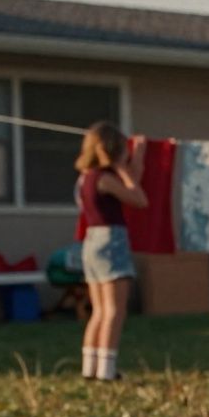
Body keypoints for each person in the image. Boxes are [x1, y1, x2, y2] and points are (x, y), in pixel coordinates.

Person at [75, 121, 146, 381]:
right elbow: (139, 198)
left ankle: (90, 368)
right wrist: (121, 168)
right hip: (111, 239)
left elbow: (131, 184)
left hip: (91, 241)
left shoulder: (86, 178)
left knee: (100, 311)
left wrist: (138, 157)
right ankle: (107, 371)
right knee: (115, 310)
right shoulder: (105, 178)